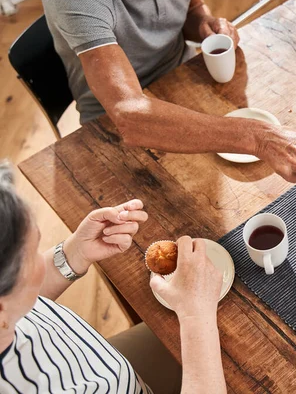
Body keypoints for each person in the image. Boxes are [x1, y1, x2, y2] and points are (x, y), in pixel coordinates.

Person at [41, 0, 296, 191]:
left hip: (182, 77)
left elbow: (189, 8)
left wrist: (205, 24)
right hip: (111, 126)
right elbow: (129, 115)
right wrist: (259, 137)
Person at [0, 162, 227, 393]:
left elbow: (29, 302)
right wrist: (195, 316)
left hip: (107, 365)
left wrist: (75, 252)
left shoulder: (6, 311)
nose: (42, 257)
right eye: (32, 254)